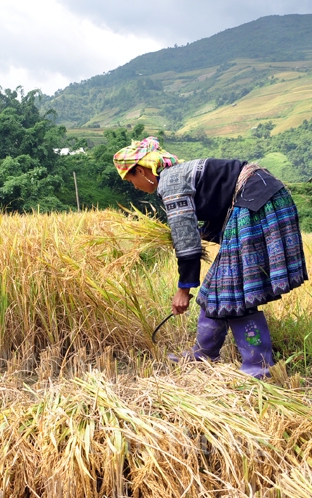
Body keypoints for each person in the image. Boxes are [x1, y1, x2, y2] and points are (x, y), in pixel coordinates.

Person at [113, 137, 308, 378]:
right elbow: (216, 205)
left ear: (142, 171)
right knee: (219, 286)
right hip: (260, 196)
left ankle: (259, 368)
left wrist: (183, 289)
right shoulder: (179, 175)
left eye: (131, 180)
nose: (134, 186)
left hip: (256, 201)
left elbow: (186, 240)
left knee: (234, 289)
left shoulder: (170, 182)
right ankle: (203, 353)